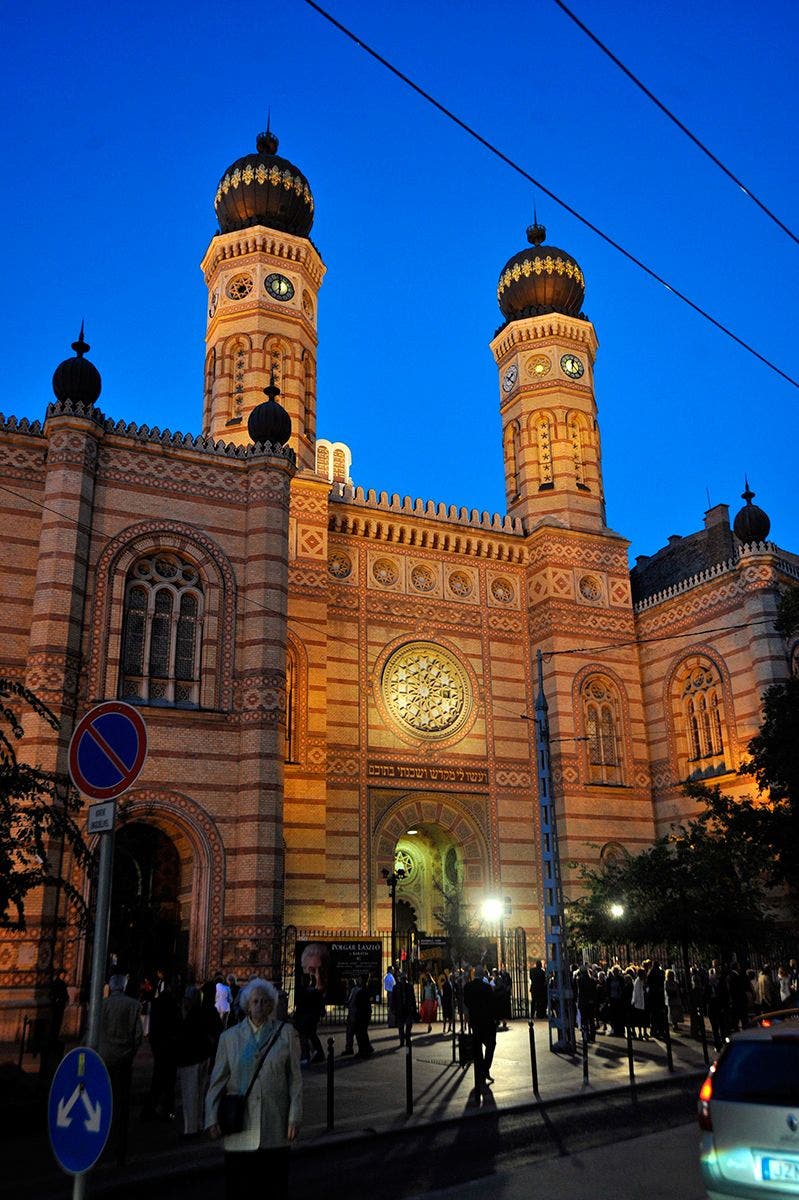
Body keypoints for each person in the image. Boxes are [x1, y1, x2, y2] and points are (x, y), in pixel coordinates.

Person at [205, 978, 302, 1197]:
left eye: (264, 1001)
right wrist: (211, 1117)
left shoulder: (285, 1033)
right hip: (240, 1128)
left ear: (271, 1005)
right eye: (254, 1001)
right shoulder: (229, 1038)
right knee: (240, 1188)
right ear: (247, 1005)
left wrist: (294, 1117)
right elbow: (217, 1081)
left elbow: (295, 1080)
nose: (259, 1005)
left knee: (274, 1188)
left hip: (274, 1125)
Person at [99, 974, 142, 1165]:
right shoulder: (133, 1005)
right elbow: (139, 1036)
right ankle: (119, 1148)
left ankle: (100, 1144)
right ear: (124, 986)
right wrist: (131, 1052)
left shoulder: (102, 1004)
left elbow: (92, 1031)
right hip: (124, 1060)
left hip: (104, 1059)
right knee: (122, 1104)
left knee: (102, 1101)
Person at [176, 984, 213, 1140]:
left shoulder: (190, 1015)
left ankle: (190, 1130)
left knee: (190, 1095)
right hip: (203, 1056)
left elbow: (183, 1036)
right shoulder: (206, 1012)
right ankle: (198, 1124)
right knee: (199, 1093)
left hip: (190, 1059)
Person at [464, 966, 497, 1089]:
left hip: (475, 1021)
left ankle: (480, 1072)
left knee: (477, 1048)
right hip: (487, 1021)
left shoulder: (468, 987)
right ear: (483, 975)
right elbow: (492, 1004)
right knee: (491, 1045)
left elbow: (466, 1003)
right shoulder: (487, 988)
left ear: (474, 974)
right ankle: (485, 1068)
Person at [294, 972, 325, 1064]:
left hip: (304, 1018)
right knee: (312, 1035)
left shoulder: (303, 992)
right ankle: (318, 1053)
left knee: (304, 1037)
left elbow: (300, 1006)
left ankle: (306, 1056)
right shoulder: (315, 992)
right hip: (312, 1018)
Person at [394, 972, 417, 1047]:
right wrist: (393, 1008)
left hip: (408, 1009)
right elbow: (393, 999)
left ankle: (407, 1037)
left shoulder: (410, 986)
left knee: (408, 1025)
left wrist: (414, 1008)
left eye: (405, 979)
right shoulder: (396, 987)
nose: (403, 980)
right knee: (400, 1027)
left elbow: (413, 998)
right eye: (402, 979)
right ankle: (402, 1040)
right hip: (400, 1009)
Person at [49, 968, 69, 1043]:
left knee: (57, 1022)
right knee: (56, 1022)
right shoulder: (57, 983)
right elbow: (53, 994)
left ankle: (55, 1037)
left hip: (60, 1005)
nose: (64, 975)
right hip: (57, 1005)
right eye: (63, 974)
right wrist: (57, 999)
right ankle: (53, 1037)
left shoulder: (61, 983)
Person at [439, 970, 454, 1035]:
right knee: (450, 1016)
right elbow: (451, 994)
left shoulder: (444, 985)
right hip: (449, 1002)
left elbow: (441, 994)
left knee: (445, 1016)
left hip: (445, 1002)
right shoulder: (450, 984)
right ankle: (449, 1027)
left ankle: (444, 1028)